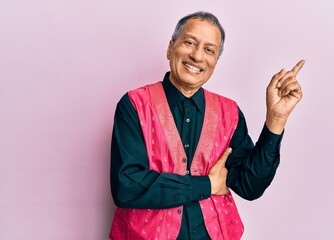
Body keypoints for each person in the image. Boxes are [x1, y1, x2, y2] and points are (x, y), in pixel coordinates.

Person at [109, 11, 304, 240]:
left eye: (209, 50)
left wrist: (275, 120)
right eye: (190, 42)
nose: (197, 56)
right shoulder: (134, 104)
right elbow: (127, 186)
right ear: (171, 48)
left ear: (215, 62)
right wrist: (207, 185)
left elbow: (249, 186)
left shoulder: (228, 112)